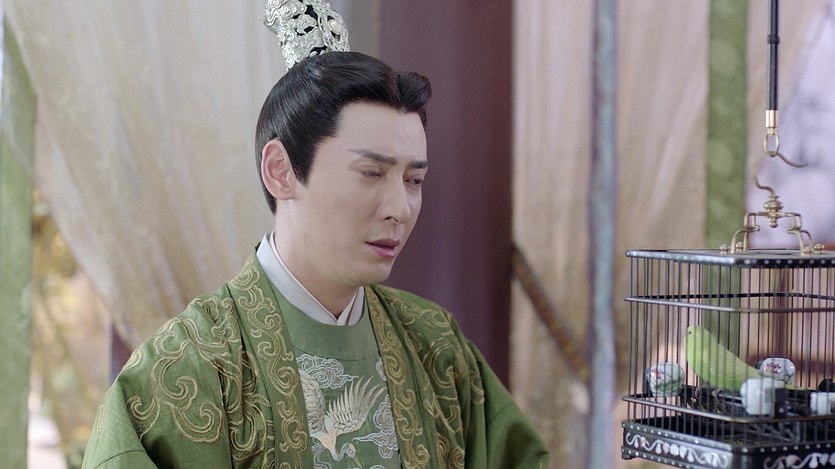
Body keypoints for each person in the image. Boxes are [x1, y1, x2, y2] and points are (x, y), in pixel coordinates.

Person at [82, 3, 548, 469]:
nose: (400, 209)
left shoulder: (438, 350)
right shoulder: (187, 369)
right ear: (280, 171)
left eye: (414, 180)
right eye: (371, 173)